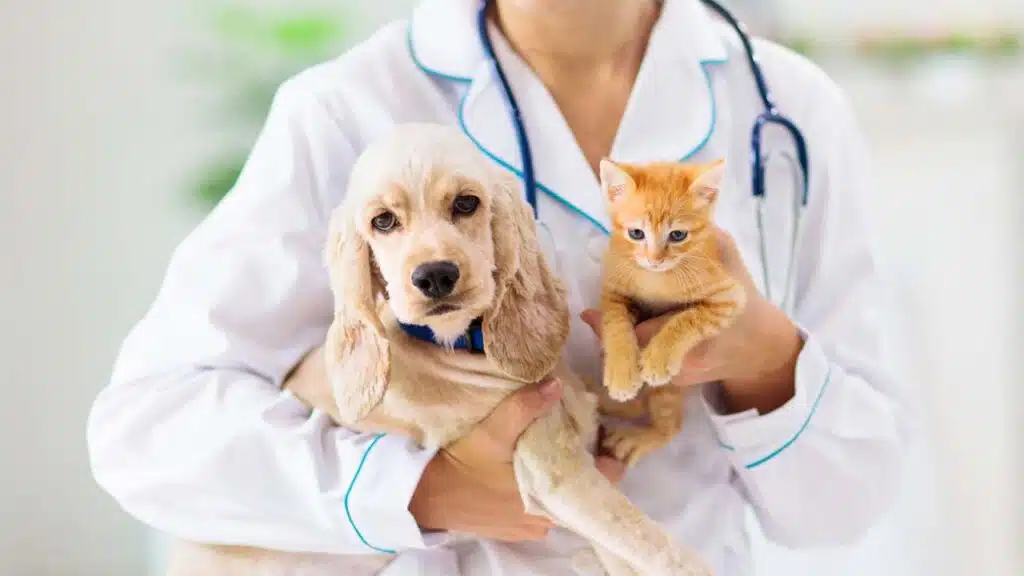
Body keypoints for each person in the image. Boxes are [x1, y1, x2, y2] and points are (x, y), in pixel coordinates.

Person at [86, 0, 913, 574]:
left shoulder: (790, 110)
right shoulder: (342, 113)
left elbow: (844, 506)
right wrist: (421, 490)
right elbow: (147, 434)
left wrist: (765, 355)